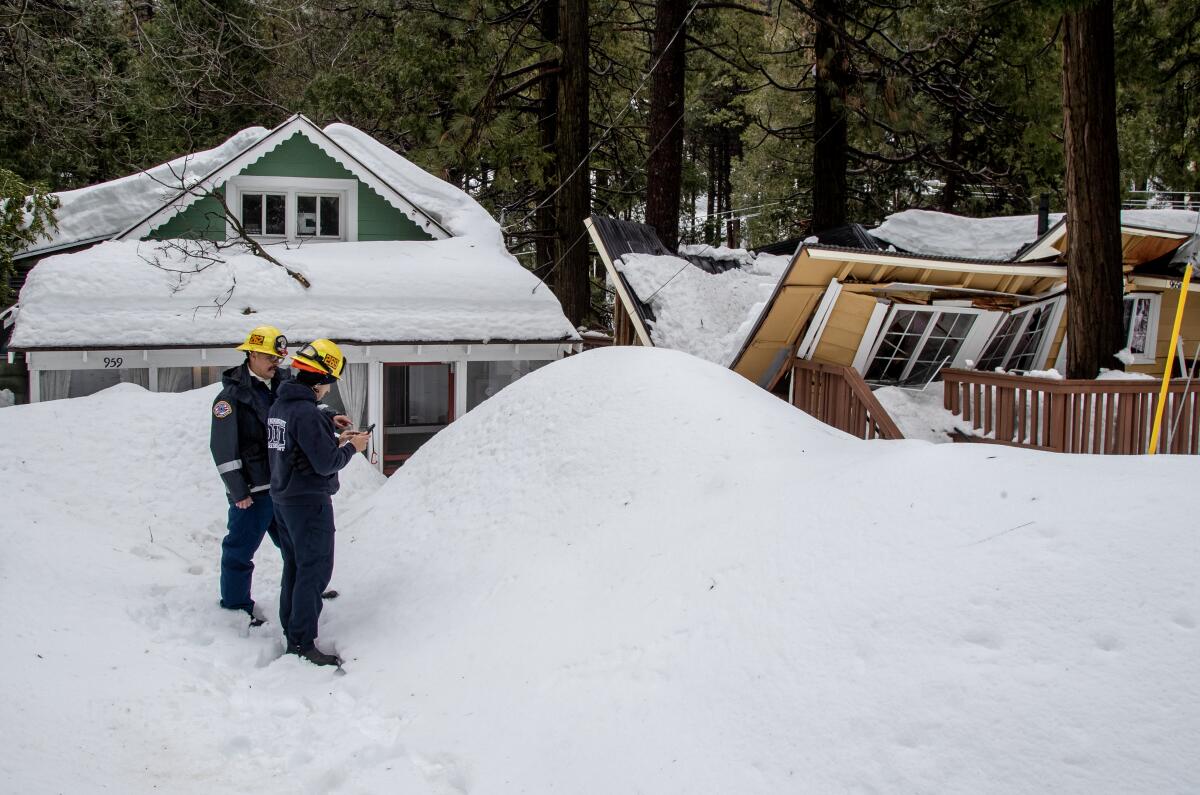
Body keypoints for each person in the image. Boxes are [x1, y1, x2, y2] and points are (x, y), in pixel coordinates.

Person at [210, 326, 349, 626]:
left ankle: (305, 591)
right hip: (254, 489)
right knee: (240, 548)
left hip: (284, 483)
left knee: (295, 551)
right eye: (270, 356)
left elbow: (306, 408)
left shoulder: (282, 383)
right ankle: (235, 604)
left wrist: (329, 416)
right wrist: (238, 491)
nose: (277, 362)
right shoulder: (231, 396)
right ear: (252, 353)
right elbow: (222, 448)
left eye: (280, 356)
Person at [267, 339, 368, 666]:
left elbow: (300, 449)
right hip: (309, 503)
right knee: (314, 570)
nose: (328, 391)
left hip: (284, 499)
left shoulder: (281, 406)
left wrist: (331, 431)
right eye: (328, 385)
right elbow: (325, 463)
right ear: (320, 381)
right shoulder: (305, 412)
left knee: (295, 567)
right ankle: (301, 643)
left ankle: (292, 627)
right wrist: (354, 447)